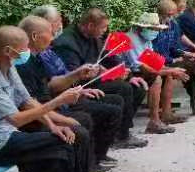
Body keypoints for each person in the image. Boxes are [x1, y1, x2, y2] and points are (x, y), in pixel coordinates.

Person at [0, 26, 103, 172]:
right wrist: (58, 101)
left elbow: (26, 101)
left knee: (60, 150)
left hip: (8, 134)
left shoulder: (8, 66)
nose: (26, 52)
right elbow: (15, 119)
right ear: (7, 51)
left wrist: (53, 126)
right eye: (23, 49)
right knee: (63, 147)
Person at [17, 15, 121, 172]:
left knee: (85, 119)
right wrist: (58, 120)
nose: (53, 38)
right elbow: (28, 104)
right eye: (50, 32)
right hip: (31, 120)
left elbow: (50, 85)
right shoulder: (19, 65)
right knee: (78, 127)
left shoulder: (36, 58)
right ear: (35, 36)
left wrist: (76, 76)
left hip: (48, 107)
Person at [53, 8, 148, 149]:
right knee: (124, 89)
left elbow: (108, 58)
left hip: (96, 78)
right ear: (90, 25)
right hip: (80, 85)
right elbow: (75, 74)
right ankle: (121, 136)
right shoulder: (67, 42)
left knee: (136, 86)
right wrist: (106, 74)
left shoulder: (94, 37)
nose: (105, 30)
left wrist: (126, 75)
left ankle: (120, 131)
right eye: (103, 27)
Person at [123, 12, 189, 134]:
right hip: (128, 73)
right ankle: (154, 121)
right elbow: (143, 68)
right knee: (157, 78)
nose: (155, 32)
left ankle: (166, 113)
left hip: (139, 70)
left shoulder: (146, 39)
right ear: (142, 28)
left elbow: (153, 62)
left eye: (156, 29)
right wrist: (170, 70)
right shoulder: (131, 39)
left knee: (168, 75)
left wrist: (171, 70)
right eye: (153, 29)